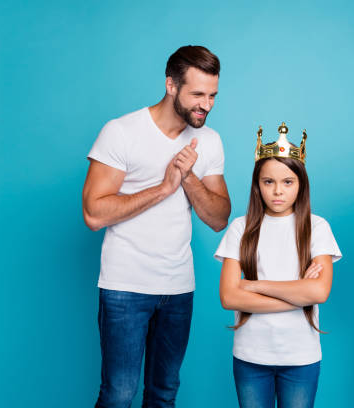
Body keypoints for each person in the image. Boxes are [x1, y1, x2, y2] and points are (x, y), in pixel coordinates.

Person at [82, 45, 231, 408]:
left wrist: (188, 177)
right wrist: (164, 187)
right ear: (171, 85)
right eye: (197, 94)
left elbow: (218, 219)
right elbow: (94, 214)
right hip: (125, 288)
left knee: (164, 394)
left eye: (212, 95)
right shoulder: (121, 131)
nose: (206, 105)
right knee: (119, 395)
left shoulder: (208, 141)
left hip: (179, 288)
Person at [215, 123, 341, 408]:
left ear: (301, 184)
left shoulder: (316, 227)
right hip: (250, 355)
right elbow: (229, 297)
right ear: (257, 185)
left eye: (288, 182)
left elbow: (319, 293)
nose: (277, 191)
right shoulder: (240, 228)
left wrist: (254, 285)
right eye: (268, 181)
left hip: (300, 356)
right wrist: (298, 294)